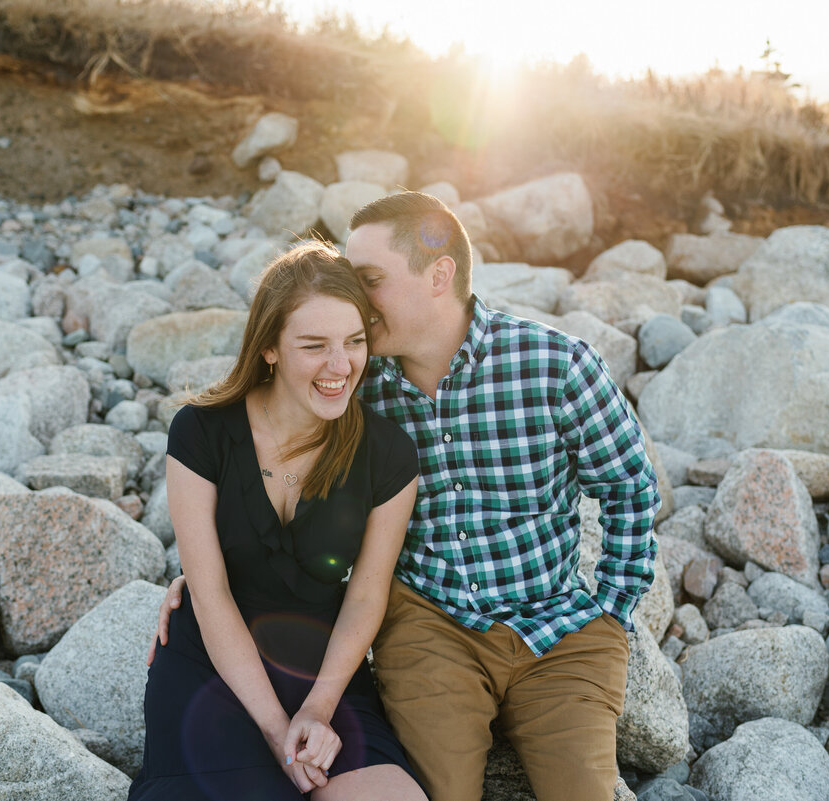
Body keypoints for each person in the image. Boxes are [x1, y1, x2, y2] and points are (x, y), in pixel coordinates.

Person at [153, 192, 659, 801]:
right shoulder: (359, 385)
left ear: (439, 274)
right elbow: (258, 443)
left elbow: (630, 485)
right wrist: (205, 577)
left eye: (368, 281)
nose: (355, 309)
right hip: (432, 626)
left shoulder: (553, 365)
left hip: (555, 623)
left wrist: (611, 609)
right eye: (350, 283)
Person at [130, 242, 426, 801]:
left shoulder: (389, 453)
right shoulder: (200, 433)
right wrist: (275, 732)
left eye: (355, 342)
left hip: (325, 670)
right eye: (314, 346)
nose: (341, 367)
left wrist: (317, 709)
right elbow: (210, 593)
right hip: (213, 667)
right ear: (268, 347)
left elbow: (366, 595)